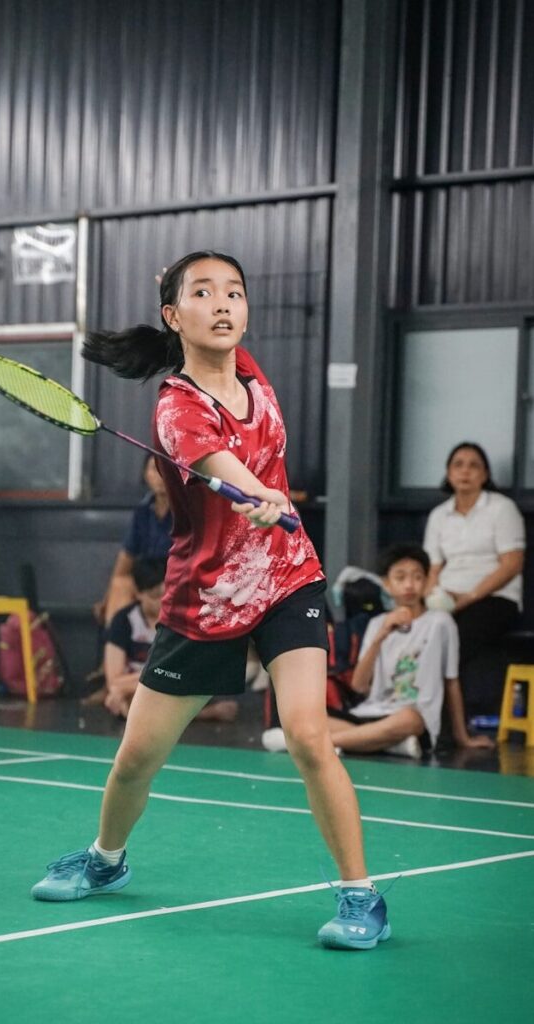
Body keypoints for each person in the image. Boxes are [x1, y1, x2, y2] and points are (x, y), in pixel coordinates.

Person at [31, 250, 390, 951]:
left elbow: (255, 466)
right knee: (137, 757)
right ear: (175, 316)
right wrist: (258, 493)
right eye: (203, 293)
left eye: (233, 291)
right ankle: (105, 861)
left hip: (288, 579)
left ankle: (360, 896)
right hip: (206, 602)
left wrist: (269, 504)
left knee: (309, 735)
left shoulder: (249, 369)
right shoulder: (175, 408)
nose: (223, 304)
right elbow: (219, 465)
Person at [327, 543, 494, 757]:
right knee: (315, 717)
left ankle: (325, 744)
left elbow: (451, 681)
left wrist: (463, 738)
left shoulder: (441, 622)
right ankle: (391, 745)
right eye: (400, 577)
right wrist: (381, 635)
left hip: (414, 717)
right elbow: (359, 686)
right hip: (374, 711)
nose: (409, 585)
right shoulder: (378, 624)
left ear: (426, 583)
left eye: (417, 577)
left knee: (409, 719)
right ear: (387, 584)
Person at [423, 442, 525, 686]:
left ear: (485, 475)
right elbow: (433, 569)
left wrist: (468, 597)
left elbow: (512, 564)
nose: (465, 471)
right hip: (447, 600)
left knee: (456, 641)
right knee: (417, 632)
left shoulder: (501, 508)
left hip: (494, 598)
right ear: (448, 474)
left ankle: (450, 715)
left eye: (474, 466)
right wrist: (432, 600)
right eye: (458, 465)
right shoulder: (439, 515)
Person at [104, 555, 237, 723]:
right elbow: (114, 680)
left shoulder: (184, 619)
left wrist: (127, 686)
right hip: (143, 689)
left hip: (174, 689)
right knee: (119, 694)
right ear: (138, 594)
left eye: (166, 594)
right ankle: (207, 714)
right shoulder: (123, 620)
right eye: (154, 596)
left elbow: (188, 672)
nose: (161, 602)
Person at [94, 454, 172, 628]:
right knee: (120, 585)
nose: (160, 476)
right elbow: (124, 564)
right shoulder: (142, 513)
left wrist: (160, 590)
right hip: (146, 578)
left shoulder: (186, 511)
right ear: (145, 475)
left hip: (174, 578)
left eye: (166, 469)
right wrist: (106, 601)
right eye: (154, 469)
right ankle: (115, 649)